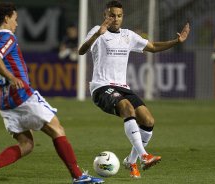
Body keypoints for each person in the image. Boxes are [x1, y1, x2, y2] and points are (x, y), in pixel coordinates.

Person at [0, 2, 104, 184]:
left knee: (26, 145)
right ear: (6, 19)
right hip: (22, 96)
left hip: (6, 102)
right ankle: (78, 176)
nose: (17, 24)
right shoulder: (8, 37)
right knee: (57, 129)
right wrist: (11, 78)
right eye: (15, 19)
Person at [78, 0, 190, 179]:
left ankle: (131, 161)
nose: (116, 19)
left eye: (119, 16)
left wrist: (177, 41)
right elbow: (81, 51)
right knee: (127, 108)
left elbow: (152, 47)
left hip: (122, 87)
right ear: (105, 16)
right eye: (112, 15)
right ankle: (144, 156)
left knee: (148, 120)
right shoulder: (97, 31)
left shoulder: (128, 36)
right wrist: (97, 35)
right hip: (101, 87)